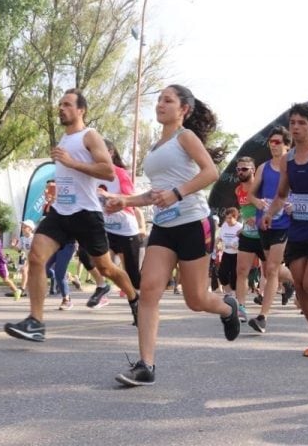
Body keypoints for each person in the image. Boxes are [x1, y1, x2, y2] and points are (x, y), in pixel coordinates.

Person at [108, 84, 240, 387]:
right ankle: (146, 365)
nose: (160, 105)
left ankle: (226, 307)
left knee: (196, 299)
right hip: (164, 228)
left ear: (184, 109)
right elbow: (157, 194)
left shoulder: (186, 137)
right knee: (149, 290)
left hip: (194, 223)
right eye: (158, 100)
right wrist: (125, 201)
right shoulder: (155, 149)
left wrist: (178, 193)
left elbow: (210, 173)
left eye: (168, 100)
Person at [4, 88, 139, 342]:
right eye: (60, 104)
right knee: (35, 257)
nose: (61, 108)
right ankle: (36, 322)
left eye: (67, 104)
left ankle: (134, 299)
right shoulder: (64, 140)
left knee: (106, 268)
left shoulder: (90, 136)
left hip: (86, 214)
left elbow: (108, 172)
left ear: (81, 110)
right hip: (61, 212)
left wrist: (71, 162)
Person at [262, 102, 308, 356]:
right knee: (301, 288)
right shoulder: (287, 159)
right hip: (297, 228)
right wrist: (270, 213)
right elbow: (282, 194)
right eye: (292, 122)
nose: (295, 127)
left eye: (301, 123)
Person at [89, 139, 146, 308]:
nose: (95, 155)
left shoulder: (120, 174)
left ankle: (140, 303)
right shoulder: (91, 174)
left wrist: (107, 196)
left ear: (110, 153)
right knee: (94, 261)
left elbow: (131, 199)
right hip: (106, 229)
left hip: (126, 230)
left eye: (99, 151)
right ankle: (102, 288)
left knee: (133, 275)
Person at [250, 125, 293, 333]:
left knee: (273, 268)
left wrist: (293, 205)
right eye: (271, 142)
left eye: (277, 142)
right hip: (264, 222)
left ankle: (262, 317)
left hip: (283, 223)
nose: (273, 146)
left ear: (287, 145)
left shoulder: (292, 167)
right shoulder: (263, 168)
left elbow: (303, 191)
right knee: (270, 269)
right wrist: (257, 203)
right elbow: (251, 194)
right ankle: (293, 280)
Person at [233, 156, 265, 322]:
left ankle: (293, 282)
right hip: (248, 235)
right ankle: (241, 308)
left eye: (244, 169)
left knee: (273, 272)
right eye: (238, 169)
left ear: (253, 170)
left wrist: (259, 218)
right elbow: (244, 211)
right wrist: (243, 226)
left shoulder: (260, 186)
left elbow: (270, 204)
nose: (240, 172)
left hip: (265, 234)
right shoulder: (238, 190)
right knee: (241, 271)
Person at [217, 207, 242, 295]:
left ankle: (235, 293)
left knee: (234, 276)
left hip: (237, 255)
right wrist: (217, 244)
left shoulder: (240, 227)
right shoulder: (224, 225)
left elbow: (244, 241)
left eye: (230, 218)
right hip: (226, 253)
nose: (227, 220)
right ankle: (228, 292)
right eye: (226, 218)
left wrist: (237, 245)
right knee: (221, 273)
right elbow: (219, 238)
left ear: (235, 217)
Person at [8, 219, 35, 297]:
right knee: (24, 271)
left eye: (25, 227)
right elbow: (20, 250)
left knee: (25, 271)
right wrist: (13, 246)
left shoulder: (34, 238)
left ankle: (22, 290)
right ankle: (22, 290)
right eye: (22, 227)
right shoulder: (22, 238)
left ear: (30, 229)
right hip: (29, 258)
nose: (22, 228)